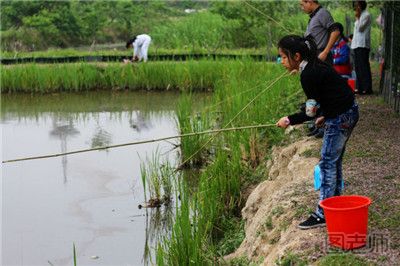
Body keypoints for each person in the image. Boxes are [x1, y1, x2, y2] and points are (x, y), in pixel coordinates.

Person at [276, 35, 359, 229]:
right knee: (334, 159)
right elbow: (327, 96)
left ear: (296, 56)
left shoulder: (308, 74)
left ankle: (323, 213)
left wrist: (288, 120)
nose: (282, 62)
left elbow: (308, 113)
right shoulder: (314, 66)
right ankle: (334, 202)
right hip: (348, 111)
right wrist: (324, 114)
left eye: (284, 57)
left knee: (327, 162)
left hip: (341, 116)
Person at [300, 0, 340, 64]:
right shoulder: (314, 16)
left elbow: (336, 31)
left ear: (309, 2)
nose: (302, 8)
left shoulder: (322, 13)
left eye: (302, 5)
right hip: (314, 56)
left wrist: (325, 52)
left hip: (322, 55)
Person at [351, 1, 372, 94]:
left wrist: (358, 16)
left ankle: (367, 88)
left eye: (357, 5)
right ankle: (360, 87)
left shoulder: (366, 15)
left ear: (361, 5)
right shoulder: (359, 15)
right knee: (358, 67)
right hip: (356, 44)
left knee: (364, 66)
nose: (356, 7)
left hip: (362, 44)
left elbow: (360, 28)